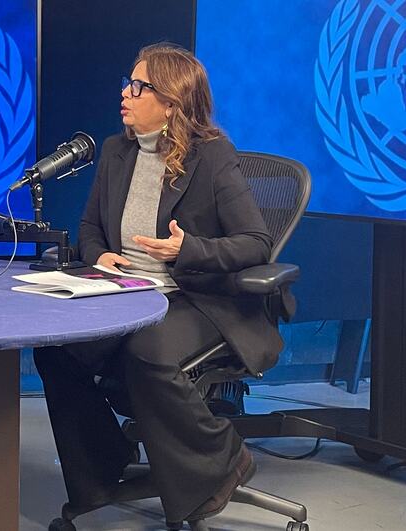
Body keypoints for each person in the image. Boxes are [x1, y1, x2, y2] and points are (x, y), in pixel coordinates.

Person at [33, 43, 281, 526]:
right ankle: (100, 471)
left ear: (170, 101)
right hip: (123, 290)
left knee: (147, 351)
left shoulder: (212, 156)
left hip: (195, 297)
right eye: (127, 83)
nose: (125, 94)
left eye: (138, 86)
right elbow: (89, 228)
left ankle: (225, 459)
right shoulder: (115, 151)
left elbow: (255, 243)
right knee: (56, 349)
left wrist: (186, 250)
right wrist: (99, 255)